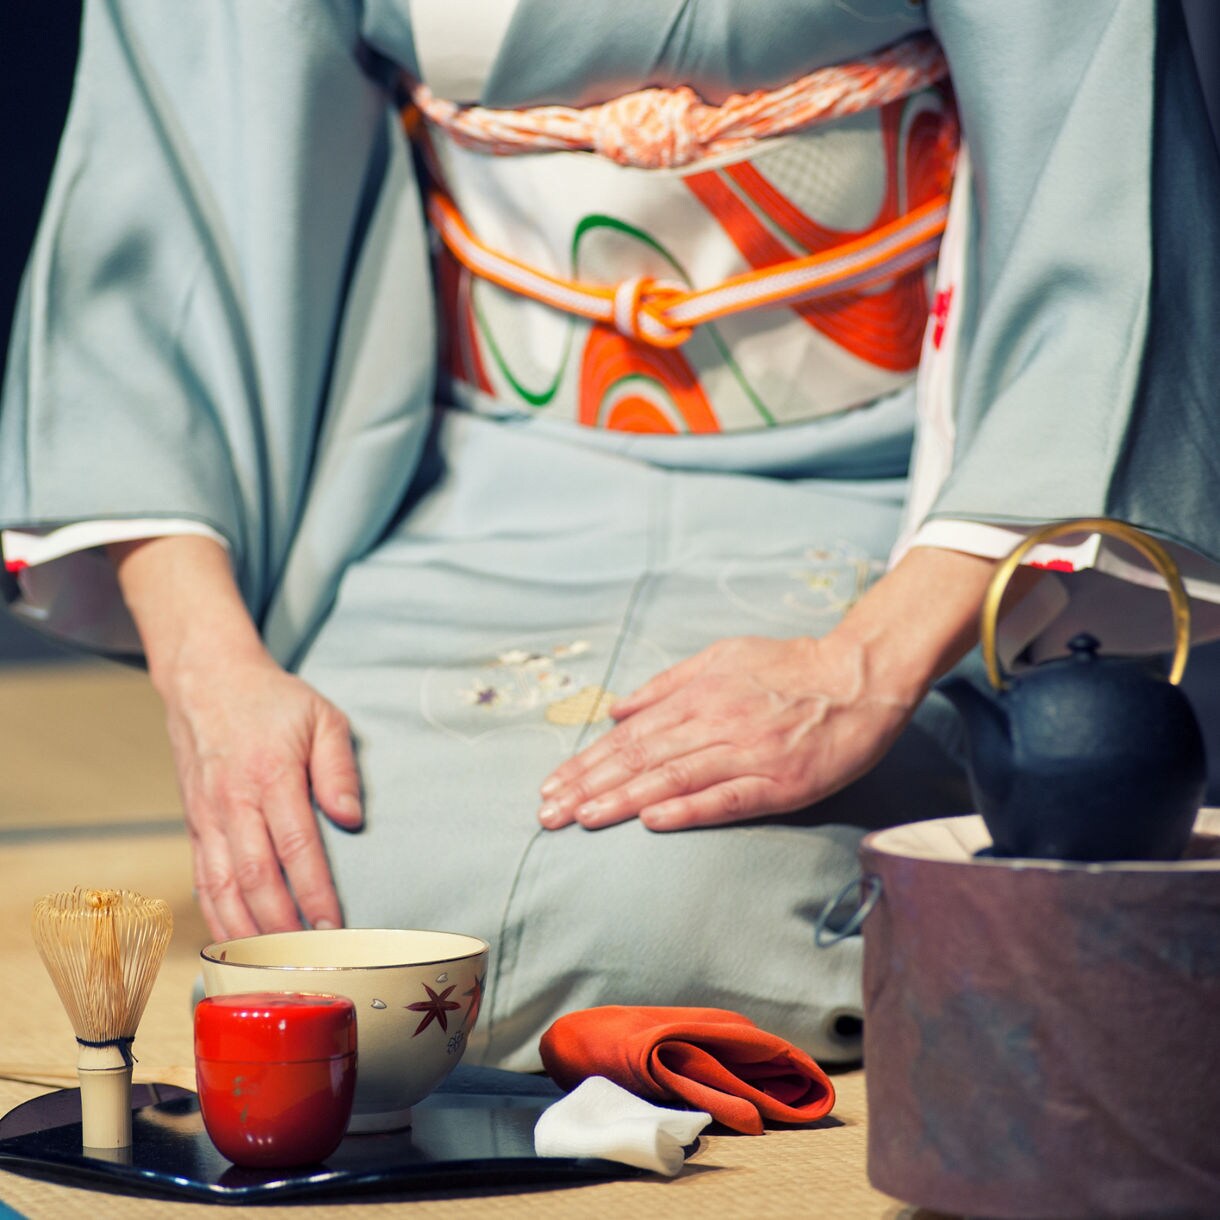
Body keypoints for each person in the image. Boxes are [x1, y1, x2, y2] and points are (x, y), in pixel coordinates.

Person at [3, 0, 1219, 1071]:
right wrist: (212, 674)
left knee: (678, 910)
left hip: (886, 502)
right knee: (336, 905)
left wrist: (866, 666)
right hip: (473, 479)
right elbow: (168, 204)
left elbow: (1098, 182)